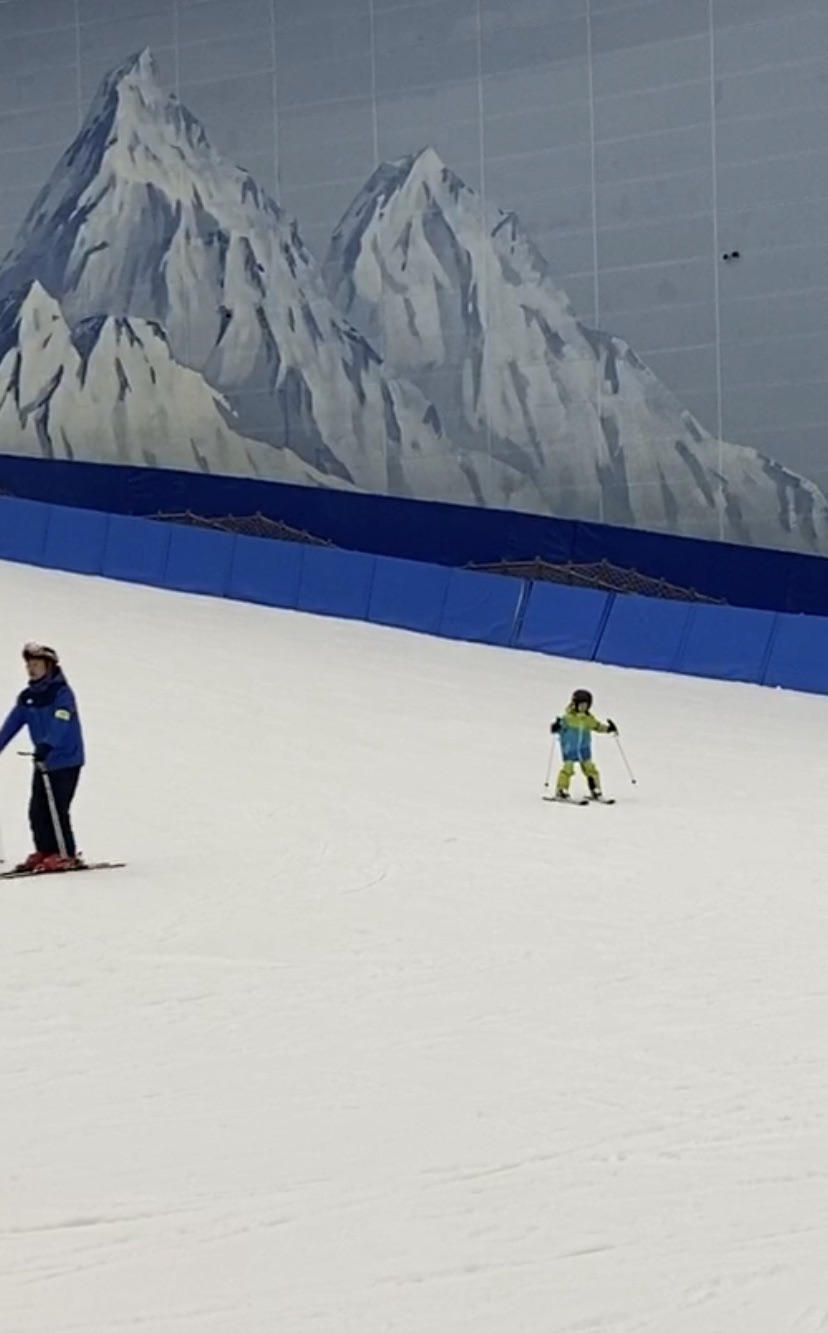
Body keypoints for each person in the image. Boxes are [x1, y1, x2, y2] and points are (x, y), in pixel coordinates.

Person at [0, 643, 85, 872]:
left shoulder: (62, 693)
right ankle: (45, 850)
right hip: (43, 761)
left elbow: (61, 720)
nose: (31, 669)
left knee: (57, 807)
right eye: (29, 665)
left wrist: (48, 744)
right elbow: (13, 723)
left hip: (66, 759)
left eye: (36, 664)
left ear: (49, 666)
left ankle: (65, 853)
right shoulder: (27, 697)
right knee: (37, 809)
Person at [550, 688, 617, 801]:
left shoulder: (588, 719)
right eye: (581, 705)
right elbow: (560, 728)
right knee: (568, 768)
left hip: (584, 749)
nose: (583, 707)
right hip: (570, 748)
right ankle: (561, 789)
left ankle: (595, 789)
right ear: (575, 704)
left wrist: (608, 729)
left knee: (590, 769)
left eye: (586, 705)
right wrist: (556, 727)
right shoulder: (568, 718)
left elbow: (597, 726)